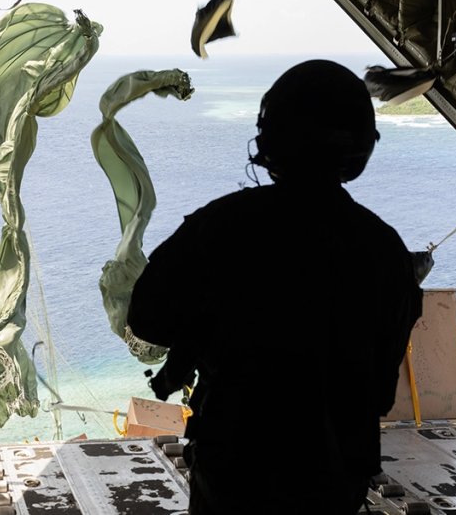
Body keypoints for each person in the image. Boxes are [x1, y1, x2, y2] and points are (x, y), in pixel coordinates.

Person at [126, 59, 424, 515]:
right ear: (362, 149)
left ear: (270, 141)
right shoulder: (385, 251)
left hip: (235, 472)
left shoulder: (220, 226)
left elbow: (145, 316)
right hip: (333, 482)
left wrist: (212, 333)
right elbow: (381, 392)